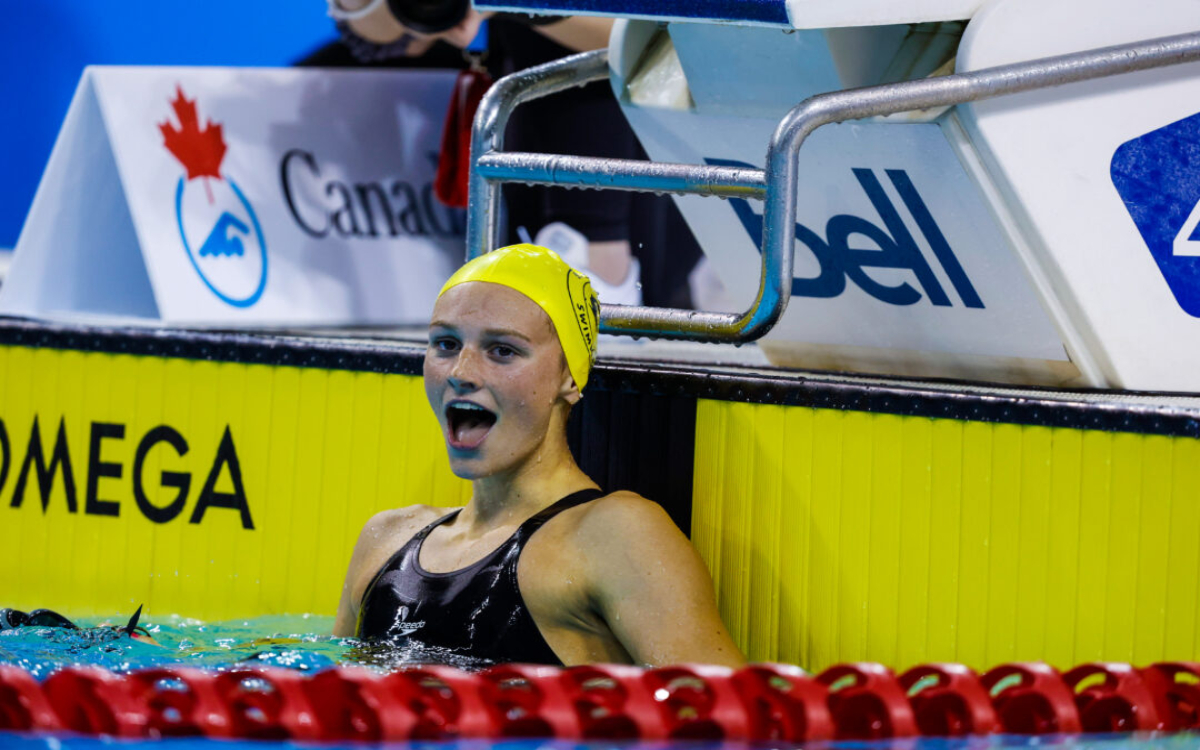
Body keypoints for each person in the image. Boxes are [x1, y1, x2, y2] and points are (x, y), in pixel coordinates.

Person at [333, 244, 743, 667]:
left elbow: (731, 720)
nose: (460, 372)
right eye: (446, 344)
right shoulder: (385, 540)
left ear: (569, 376)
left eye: (502, 350)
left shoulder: (614, 537)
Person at [305, 1, 704, 308]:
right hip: (535, 174)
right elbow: (382, 39)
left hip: (662, 170)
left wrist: (520, 5)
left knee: (550, 39)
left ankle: (601, 270)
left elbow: (666, 38)